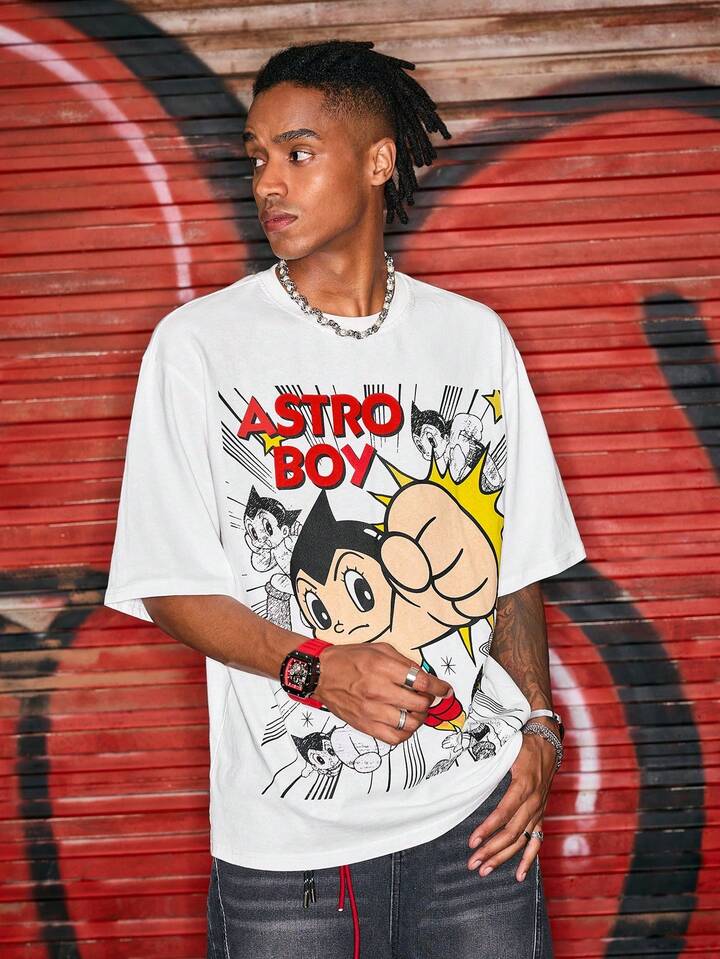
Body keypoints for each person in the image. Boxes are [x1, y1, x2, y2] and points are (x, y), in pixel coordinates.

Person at [103, 38, 586, 959]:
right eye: (256, 157)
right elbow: (168, 582)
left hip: (476, 825)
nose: (267, 182)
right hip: (290, 854)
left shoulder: (473, 338)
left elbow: (515, 564)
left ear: (377, 161)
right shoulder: (199, 345)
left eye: (297, 152)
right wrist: (316, 668)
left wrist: (539, 725)